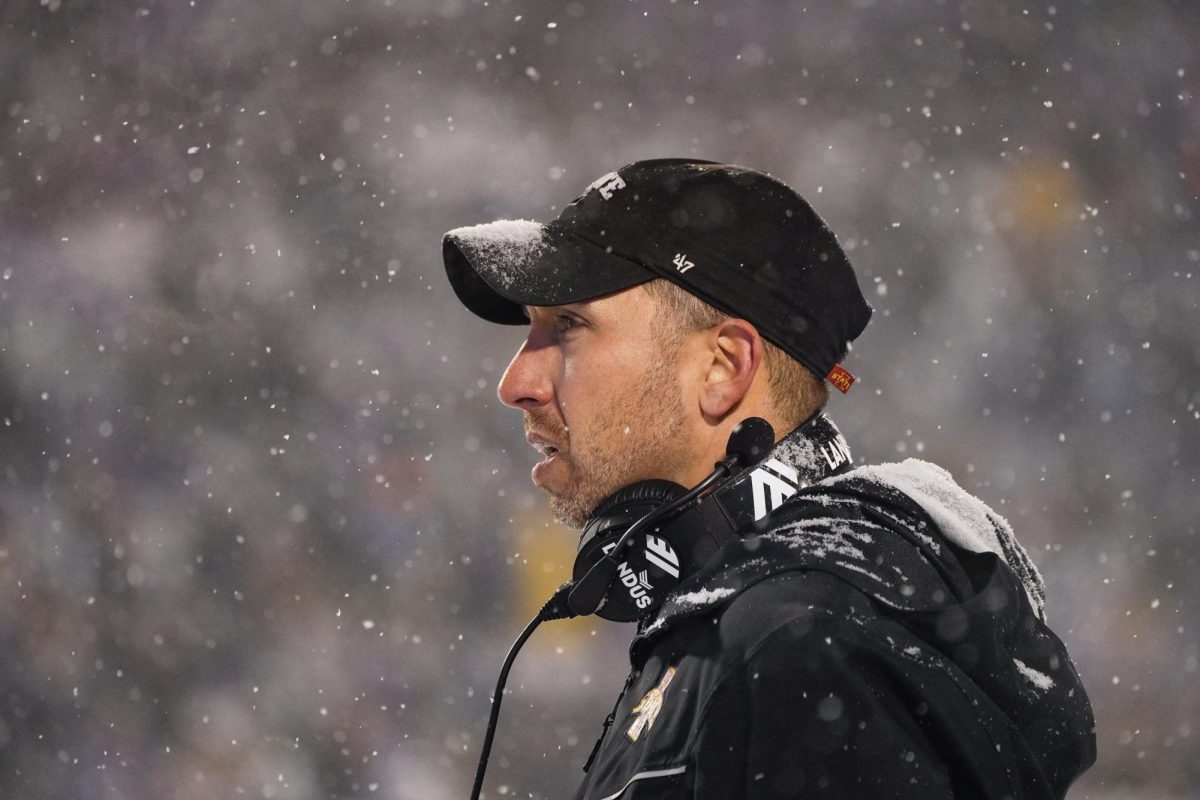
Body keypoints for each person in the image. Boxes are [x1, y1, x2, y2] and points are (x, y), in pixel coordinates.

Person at [442, 159, 1096, 799]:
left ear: (724, 367)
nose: (515, 385)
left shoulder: (796, 644)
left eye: (570, 326)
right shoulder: (756, 627)